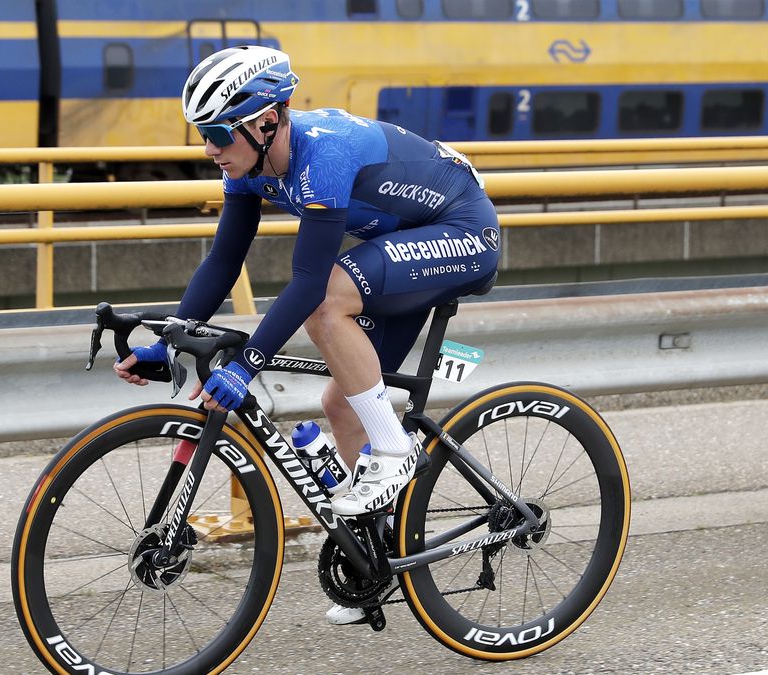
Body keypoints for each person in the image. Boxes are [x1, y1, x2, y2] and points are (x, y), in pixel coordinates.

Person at [115, 45, 500, 622]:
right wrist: (166, 342)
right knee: (341, 404)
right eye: (202, 134)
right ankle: (382, 559)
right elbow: (223, 264)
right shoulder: (253, 167)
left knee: (325, 304)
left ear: (267, 121)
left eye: (219, 133)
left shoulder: (323, 155)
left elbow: (307, 281)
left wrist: (246, 365)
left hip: (463, 232)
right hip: (404, 244)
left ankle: (395, 450)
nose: (209, 149)